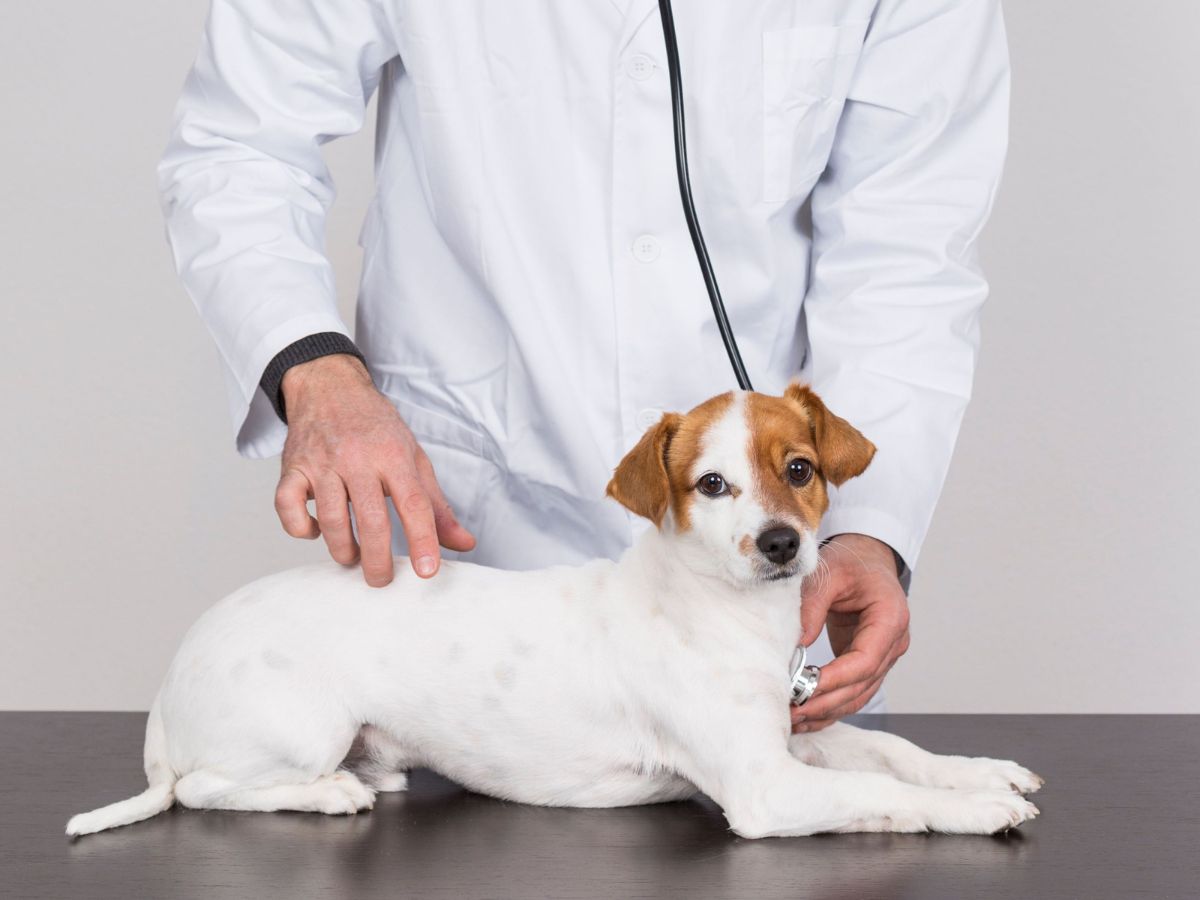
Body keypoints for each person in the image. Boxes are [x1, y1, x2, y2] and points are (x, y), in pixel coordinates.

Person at [157, 0, 1009, 730]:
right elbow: (242, 149)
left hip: (765, 613)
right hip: (467, 587)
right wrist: (319, 375)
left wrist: (868, 535)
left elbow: (906, 257)